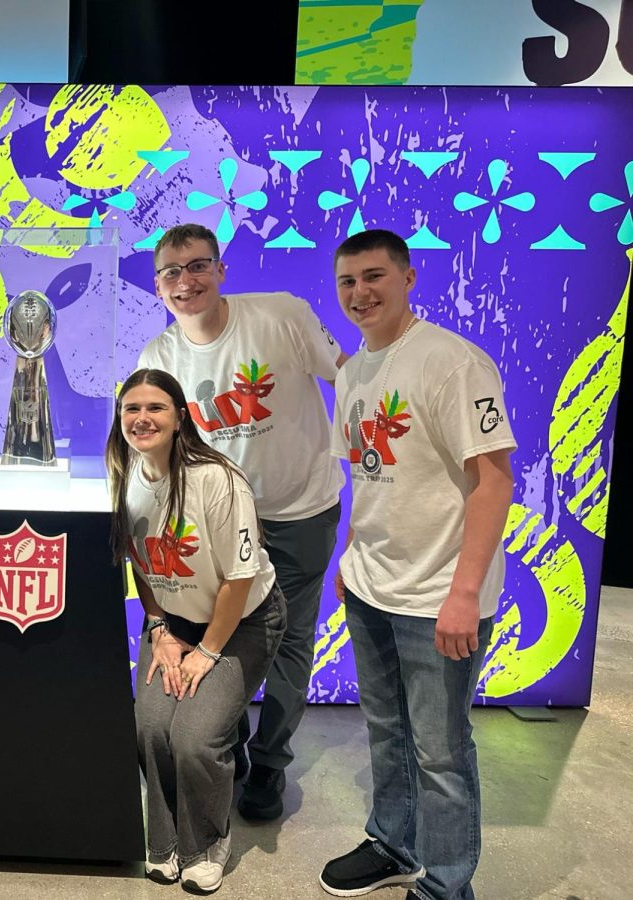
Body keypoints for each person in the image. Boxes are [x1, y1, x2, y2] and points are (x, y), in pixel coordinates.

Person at [320, 229, 515, 900]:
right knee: (387, 732)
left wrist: (464, 595)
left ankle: (446, 885)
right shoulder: (352, 371)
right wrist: (350, 553)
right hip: (373, 586)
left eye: (374, 277)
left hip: (439, 595)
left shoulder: (453, 363)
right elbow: (367, 477)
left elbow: (493, 482)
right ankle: (393, 843)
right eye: (347, 282)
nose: (359, 293)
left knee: (440, 752)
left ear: (408, 278)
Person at [138, 223, 347, 821]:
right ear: (158, 287)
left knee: (290, 644)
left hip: (298, 511)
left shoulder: (281, 316)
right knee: (217, 637)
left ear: (221, 269)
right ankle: (224, 746)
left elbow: (351, 378)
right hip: (216, 528)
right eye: (172, 273)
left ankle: (270, 763)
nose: (186, 282)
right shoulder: (159, 355)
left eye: (198, 266)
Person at [107, 368, 287, 894]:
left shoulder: (217, 479)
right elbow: (138, 562)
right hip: (175, 621)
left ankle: (206, 842)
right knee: (151, 726)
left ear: (181, 417)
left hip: (242, 620)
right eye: (131, 409)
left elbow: (240, 576)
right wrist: (158, 627)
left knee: (193, 737)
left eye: (155, 408)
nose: (142, 418)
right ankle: (163, 842)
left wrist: (206, 653)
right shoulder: (124, 474)